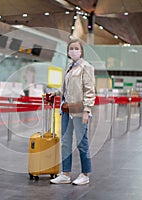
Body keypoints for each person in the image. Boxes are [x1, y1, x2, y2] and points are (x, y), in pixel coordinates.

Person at [49, 39, 95, 185]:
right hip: (66, 109)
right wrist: (56, 93)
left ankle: (85, 174)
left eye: (76, 48)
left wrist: (87, 110)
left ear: (81, 51)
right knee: (66, 142)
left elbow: (89, 91)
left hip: (79, 111)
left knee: (82, 142)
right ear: (68, 52)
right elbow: (66, 89)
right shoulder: (69, 67)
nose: (73, 51)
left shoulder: (86, 67)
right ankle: (65, 173)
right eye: (71, 48)